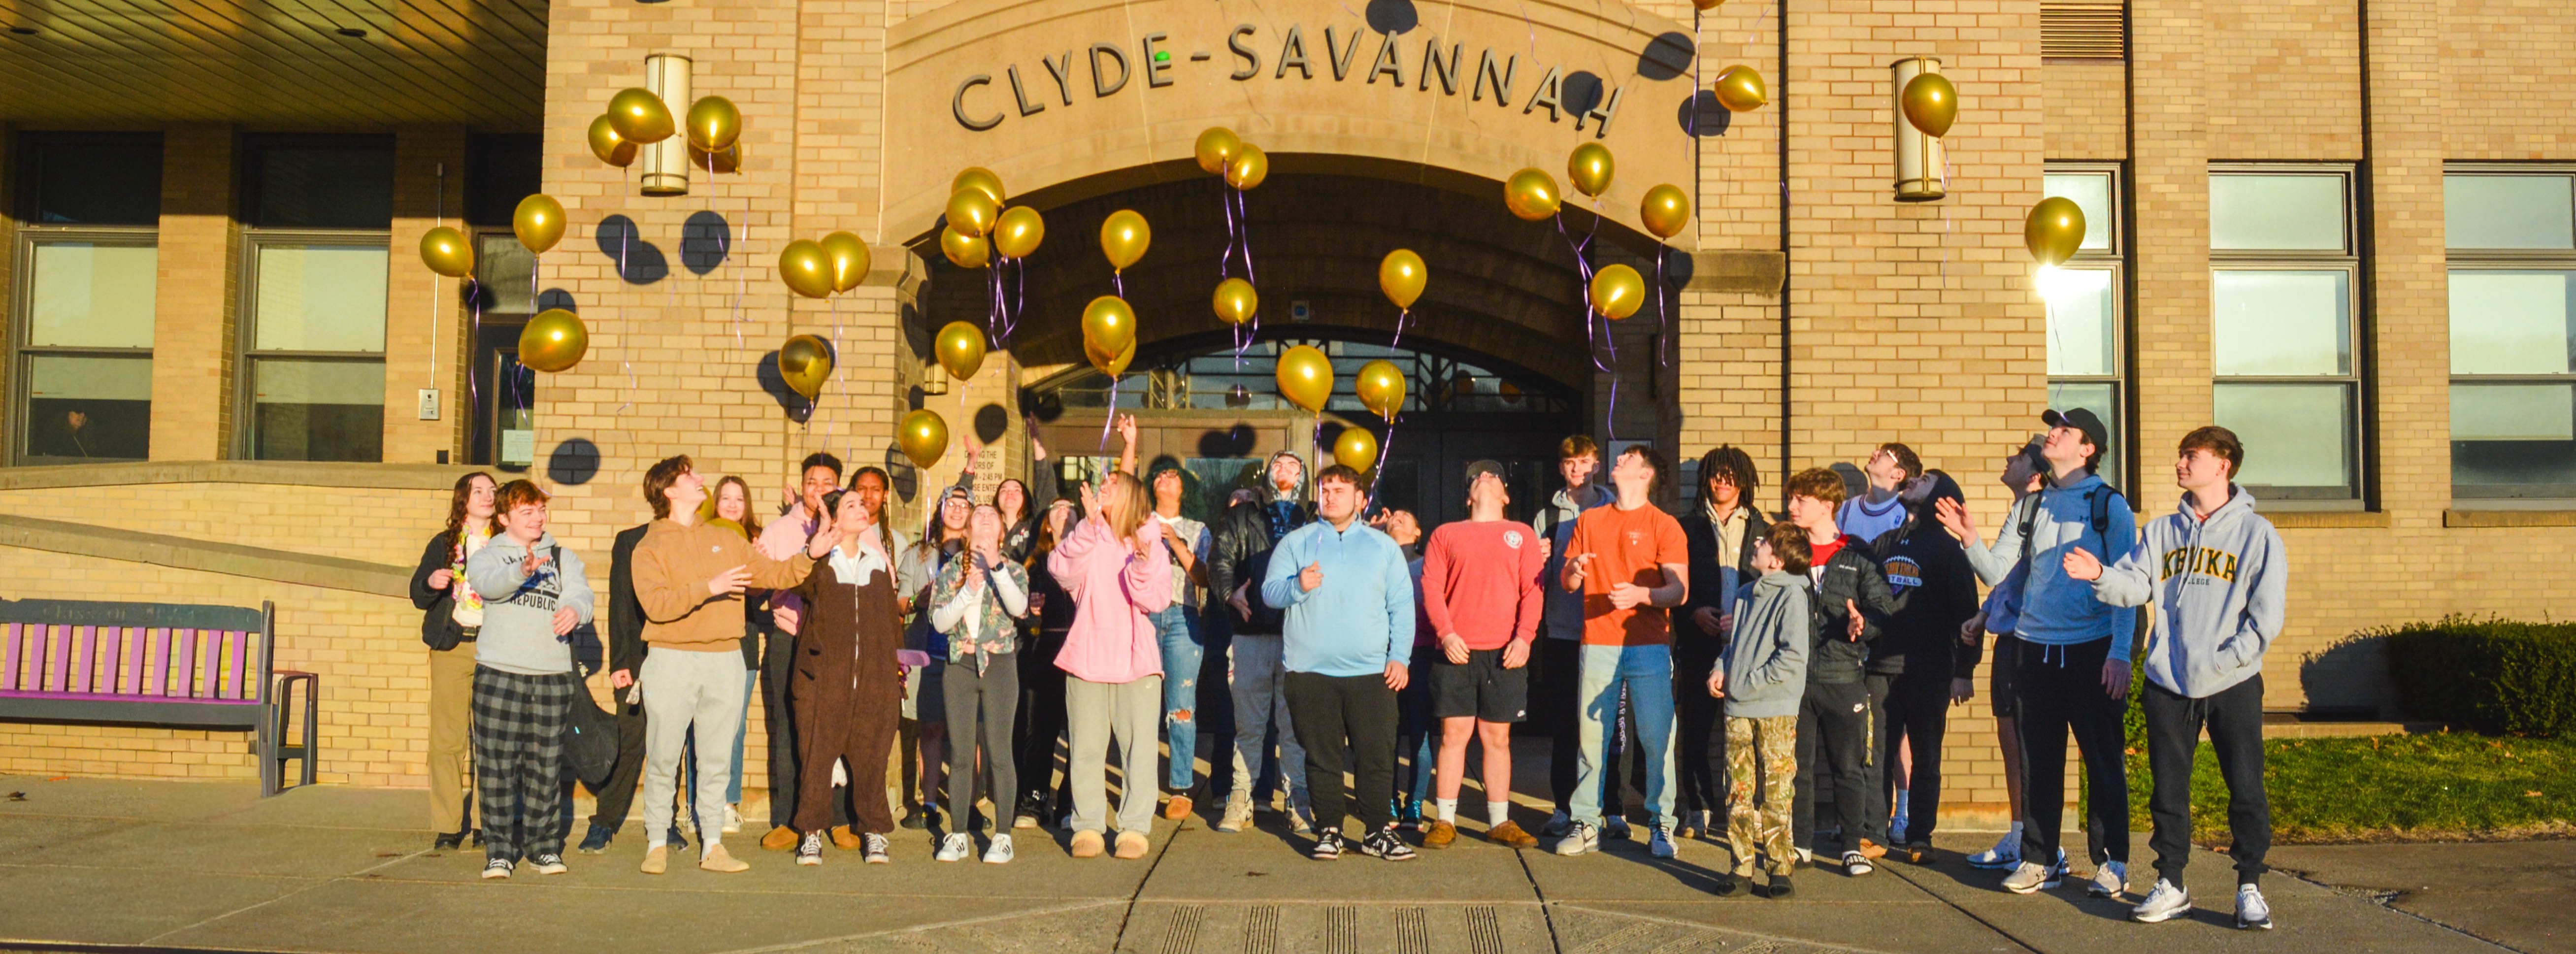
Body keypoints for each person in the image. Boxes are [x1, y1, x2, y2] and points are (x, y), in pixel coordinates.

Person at [2064, 426, 2284, 930]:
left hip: (2233, 680)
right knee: (2167, 789)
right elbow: (2135, 585)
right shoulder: (2162, 531)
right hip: (2168, 681)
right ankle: (2171, 882)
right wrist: (2099, 572)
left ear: (2223, 464)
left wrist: (2230, 660)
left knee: (2245, 785)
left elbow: (2266, 617)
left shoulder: (2257, 534)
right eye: (2181, 454)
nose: (2181, 463)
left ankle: (2249, 884)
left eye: (2191, 455)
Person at [1947, 408, 2137, 899]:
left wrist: (2119, 652)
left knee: (2101, 759)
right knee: (2037, 760)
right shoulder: (2031, 506)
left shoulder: (2107, 506)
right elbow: (1995, 571)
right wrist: (1969, 536)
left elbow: (2128, 586)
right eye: (2053, 427)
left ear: (2087, 447)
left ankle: (2112, 860)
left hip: (2090, 649)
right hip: (2033, 650)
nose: (2052, 434)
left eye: (2064, 430)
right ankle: (2038, 857)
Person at [631, 455, 834, 875]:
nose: (699, 478)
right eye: (690, 476)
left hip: (725, 657)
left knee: (716, 757)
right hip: (671, 657)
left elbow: (775, 573)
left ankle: (714, 845)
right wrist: (712, 587)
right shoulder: (648, 545)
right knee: (665, 753)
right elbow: (656, 605)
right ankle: (656, 841)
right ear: (669, 490)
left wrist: (810, 553)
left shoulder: (725, 537)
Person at [1263, 463, 1416, 861]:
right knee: (1322, 755)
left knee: (1376, 755)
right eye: (1325, 488)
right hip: (1309, 671)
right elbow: (1269, 593)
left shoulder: (1383, 547)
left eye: (1340, 489)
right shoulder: (1297, 542)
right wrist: (1298, 584)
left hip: (1371, 672)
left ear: (1360, 499)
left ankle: (1377, 830)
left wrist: (1400, 655)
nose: (1330, 495)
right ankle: (1329, 827)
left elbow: (1402, 605)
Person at [1553, 444, 1689, 859]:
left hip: (1648, 646)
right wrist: (1574, 570)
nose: (1617, 462)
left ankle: (1662, 826)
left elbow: (1679, 591)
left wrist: (1643, 595)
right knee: (1591, 738)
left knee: (1656, 737)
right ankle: (1586, 822)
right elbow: (1568, 582)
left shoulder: (1664, 525)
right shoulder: (1590, 519)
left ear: (1646, 474)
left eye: (1627, 458)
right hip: (1597, 641)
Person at [461, 479, 595, 879]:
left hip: (551, 677)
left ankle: (543, 847)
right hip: (499, 674)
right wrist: (522, 569)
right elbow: (489, 586)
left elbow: (583, 594)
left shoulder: (563, 556)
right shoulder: (487, 556)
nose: (538, 517)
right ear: (504, 518)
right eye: (528, 512)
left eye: (541, 510)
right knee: (497, 766)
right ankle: (500, 850)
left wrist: (575, 609)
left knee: (545, 766)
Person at [1416, 461, 1546, 849]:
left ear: (1506, 496)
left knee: (1498, 737)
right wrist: (1446, 632)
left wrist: (1525, 638)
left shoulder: (1521, 534)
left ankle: (1499, 820)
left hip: (1505, 652)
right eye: (1477, 476)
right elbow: (1432, 588)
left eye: (1494, 476)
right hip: (1456, 650)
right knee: (1454, 735)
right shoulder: (1446, 534)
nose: (1485, 477)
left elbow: (1533, 591)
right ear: (1468, 495)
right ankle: (1444, 819)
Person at [1779, 466, 1901, 876]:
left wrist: (1863, 624)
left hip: (1843, 677)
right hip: (1794, 680)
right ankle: (1801, 844)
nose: (1792, 506)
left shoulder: (1857, 553)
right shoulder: (1785, 549)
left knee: (1850, 767)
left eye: (1801, 499)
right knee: (1797, 768)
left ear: (1827, 505)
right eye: (1791, 497)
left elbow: (1884, 607)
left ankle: (1853, 845)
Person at [1049, 472, 1174, 860]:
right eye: (1103, 483)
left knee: (1138, 750)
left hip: (1137, 662)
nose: (1104, 487)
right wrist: (1088, 524)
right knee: (1085, 748)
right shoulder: (1088, 534)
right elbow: (1062, 570)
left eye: (1113, 484)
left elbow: (1155, 599)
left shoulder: (1150, 539)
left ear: (1131, 496)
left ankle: (1134, 827)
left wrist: (1140, 561)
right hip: (1087, 658)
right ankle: (1087, 824)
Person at [1938, 436, 2048, 871]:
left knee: (2027, 743)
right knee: (2009, 741)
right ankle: (2020, 836)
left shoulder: (2043, 508)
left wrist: (1968, 537)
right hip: (2009, 636)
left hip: (2032, 642)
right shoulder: (2022, 509)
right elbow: (2011, 577)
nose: (2009, 459)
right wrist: (1985, 612)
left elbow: (1995, 569)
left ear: (2036, 474)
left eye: (2019, 456)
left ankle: (2042, 843)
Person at [782, 488, 905, 866]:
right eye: (850, 504)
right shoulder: (819, 560)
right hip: (823, 679)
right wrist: (816, 546)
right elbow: (799, 585)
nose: (862, 507)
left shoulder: (876, 564)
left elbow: (889, 623)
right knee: (817, 758)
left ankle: (873, 832)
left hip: (874, 680)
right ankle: (811, 835)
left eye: (862, 503)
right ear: (833, 517)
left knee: (872, 758)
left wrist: (897, 670)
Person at [1863, 470, 1979, 865]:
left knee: (1927, 756)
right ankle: (1874, 831)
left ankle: (1920, 836)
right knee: (1876, 752)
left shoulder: (1949, 552)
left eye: (1926, 479)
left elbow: (1969, 616)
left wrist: (1965, 671)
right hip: (1880, 665)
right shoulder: (1885, 542)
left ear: (1942, 497)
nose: (1913, 479)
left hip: (1931, 669)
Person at [1207, 451, 1317, 833]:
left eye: (1293, 466)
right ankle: (1241, 798)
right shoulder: (1243, 515)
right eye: (1279, 465)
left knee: (1295, 726)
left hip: (1299, 636)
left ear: (1302, 476)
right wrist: (1229, 594)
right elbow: (1219, 559)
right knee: (1249, 725)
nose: (1285, 471)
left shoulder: (1314, 519)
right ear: (1268, 474)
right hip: (1250, 631)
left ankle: (1297, 800)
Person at [1708, 524, 1812, 899]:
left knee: (1777, 790)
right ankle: (1740, 867)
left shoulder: (1793, 596)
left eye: (1764, 542)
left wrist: (1746, 681)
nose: (1756, 543)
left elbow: (1792, 656)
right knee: (1737, 789)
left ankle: (1780, 869)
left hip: (1775, 708)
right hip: (1738, 707)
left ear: (1778, 560)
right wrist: (1722, 668)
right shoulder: (1745, 593)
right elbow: (1735, 646)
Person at [929, 503, 1031, 863]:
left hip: (1000, 663)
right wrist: (967, 590)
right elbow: (940, 623)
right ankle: (957, 835)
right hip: (960, 664)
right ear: (968, 530)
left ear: (1002, 530)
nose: (985, 520)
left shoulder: (1014, 569)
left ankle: (1002, 836)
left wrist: (997, 568)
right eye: (979, 516)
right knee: (960, 753)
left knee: (1000, 752)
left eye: (993, 516)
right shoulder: (951, 570)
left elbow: (1019, 608)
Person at [579, 515, 685, 855]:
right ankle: (604, 821)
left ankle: (666, 822)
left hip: (680, 656)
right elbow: (620, 604)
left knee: (670, 745)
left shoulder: (693, 539)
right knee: (630, 738)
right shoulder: (631, 540)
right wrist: (620, 663)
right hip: (637, 658)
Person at [753, 453, 843, 850]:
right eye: (811, 481)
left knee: (837, 726)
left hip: (838, 641)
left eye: (827, 482)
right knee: (789, 726)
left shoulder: (855, 525)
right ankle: (789, 818)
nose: (818, 489)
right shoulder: (778, 530)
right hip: (789, 636)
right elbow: (756, 584)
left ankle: (839, 816)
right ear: (801, 485)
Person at [1678, 446, 1769, 841]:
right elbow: (1674, 586)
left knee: (1753, 735)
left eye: (1732, 475)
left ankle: (1753, 810)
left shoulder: (1766, 529)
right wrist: (1694, 612)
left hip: (1751, 648)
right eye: (1717, 475)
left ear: (1744, 481)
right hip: (1700, 642)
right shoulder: (1685, 527)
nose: (1723, 482)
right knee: (1696, 731)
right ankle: (1697, 807)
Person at [1532, 436, 1619, 839]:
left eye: (1584, 462)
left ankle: (1612, 807)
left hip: (1610, 629)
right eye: (1570, 462)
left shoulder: (1615, 508)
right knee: (1566, 723)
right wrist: (1539, 559)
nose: (1576, 469)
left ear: (1597, 465)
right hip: (1564, 630)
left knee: (1609, 722)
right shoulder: (1547, 515)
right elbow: (1534, 577)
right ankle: (1563, 806)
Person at [410, 472, 495, 851]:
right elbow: (417, 594)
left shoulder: (507, 544)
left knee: (492, 739)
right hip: (452, 645)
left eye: (493, 491)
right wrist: (432, 582)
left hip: (496, 648)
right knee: (447, 739)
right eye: (479, 490)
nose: (488, 496)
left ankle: (486, 822)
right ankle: (448, 825)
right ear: (464, 498)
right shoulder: (444, 544)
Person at [694, 475, 764, 837]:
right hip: (704, 641)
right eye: (726, 498)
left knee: (733, 728)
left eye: (740, 498)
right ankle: (698, 805)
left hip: (744, 645)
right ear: (714, 503)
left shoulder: (757, 540)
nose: (733, 504)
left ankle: (727, 803)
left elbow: (763, 595)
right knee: (700, 728)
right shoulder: (700, 537)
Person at [899, 486, 973, 830]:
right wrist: (918, 600)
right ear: (940, 509)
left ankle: (968, 802)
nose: (957, 510)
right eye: (951, 504)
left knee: (965, 732)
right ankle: (928, 802)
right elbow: (899, 603)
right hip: (928, 652)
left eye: (964, 504)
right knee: (930, 728)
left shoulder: (980, 555)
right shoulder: (918, 554)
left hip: (966, 654)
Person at [1143, 463, 1214, 821]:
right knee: (1139, 705)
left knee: (1181, 706)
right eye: (1158, 476)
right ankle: (1139, 784)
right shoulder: (1136, 523)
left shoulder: (1197, 529)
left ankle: (1181, 787)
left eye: (1172, 476)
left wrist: (1173, 541)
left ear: (1184, 489)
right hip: (1141, 617)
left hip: (1183, 616)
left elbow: (1203, 577)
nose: (1164, 479)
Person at [1014, 498, 1079, 828]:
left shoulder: (1088, 559)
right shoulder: (1032, 564)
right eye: (1058, 509)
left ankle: (1070, 805)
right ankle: (1034, 801)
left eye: (1072, 509)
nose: (1065, 511)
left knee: (1080, 734)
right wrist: (1030, 611)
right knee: (1040, 733)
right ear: (1047, 525)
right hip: (1045, 650)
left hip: (1082, 650)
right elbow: (1017, 612)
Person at [1837, 443, 1921, 545]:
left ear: (1898, 474)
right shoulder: (1845, 510)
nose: (1875, 453)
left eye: (1886, 453)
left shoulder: (1907, 516)